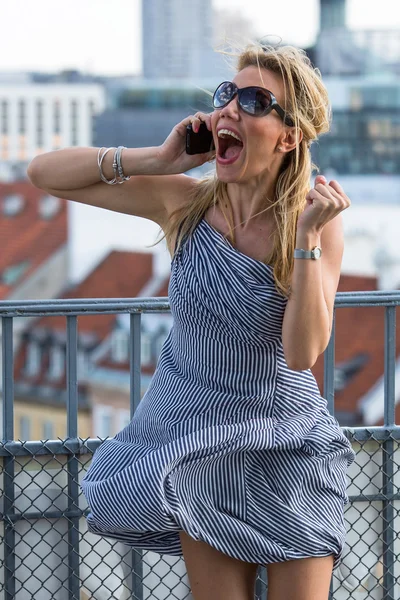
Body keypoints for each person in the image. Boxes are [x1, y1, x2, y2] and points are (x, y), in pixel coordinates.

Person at [28, 42, 355, 600]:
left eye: (254, 100)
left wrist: (305, 244)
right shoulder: (186, 205)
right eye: (227, 94)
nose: (230, 108)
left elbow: (303, 353)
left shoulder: (314, 223)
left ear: (289, 134)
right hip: (198, 448)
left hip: (286, 450)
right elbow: (44, 174)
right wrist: (156, 160)